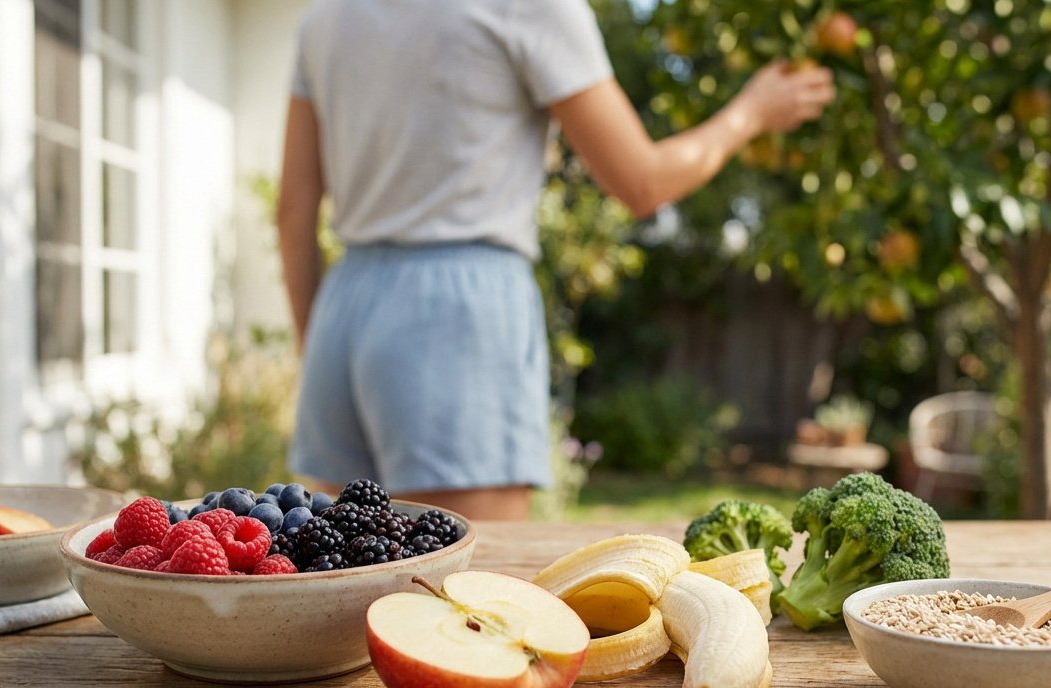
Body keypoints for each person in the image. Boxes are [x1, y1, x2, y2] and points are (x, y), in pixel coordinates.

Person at [277, 0, 836, 521]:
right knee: (471, 599)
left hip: (344, 308)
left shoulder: (326, 14)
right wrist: (752, 112)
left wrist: (319, 348)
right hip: (455, 313)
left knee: (339, 598)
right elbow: (641, 182)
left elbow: (295, 210)